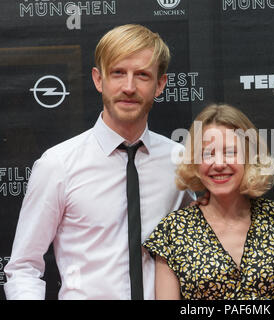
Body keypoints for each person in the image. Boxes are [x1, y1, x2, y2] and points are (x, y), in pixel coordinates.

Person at [4, 24, 193, 300]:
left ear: (160, 85)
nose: (129, 87)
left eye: (142, 75)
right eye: (118, 73)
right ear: (98, 79)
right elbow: (23, 267)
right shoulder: (58, 164)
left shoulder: (180, 161)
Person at [142, 104, 274, 300]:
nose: (219, 164)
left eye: (230, 152)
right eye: (208, 154)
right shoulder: (174, 230)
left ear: (249, 156)